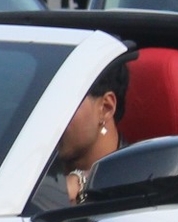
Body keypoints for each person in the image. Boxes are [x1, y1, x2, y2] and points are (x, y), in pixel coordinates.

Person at [29, 53, 130, 213]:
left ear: (106, 108)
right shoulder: (27, 170)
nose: (48, 117)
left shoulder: (135, 189)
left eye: (63, 104)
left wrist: (84, 183)